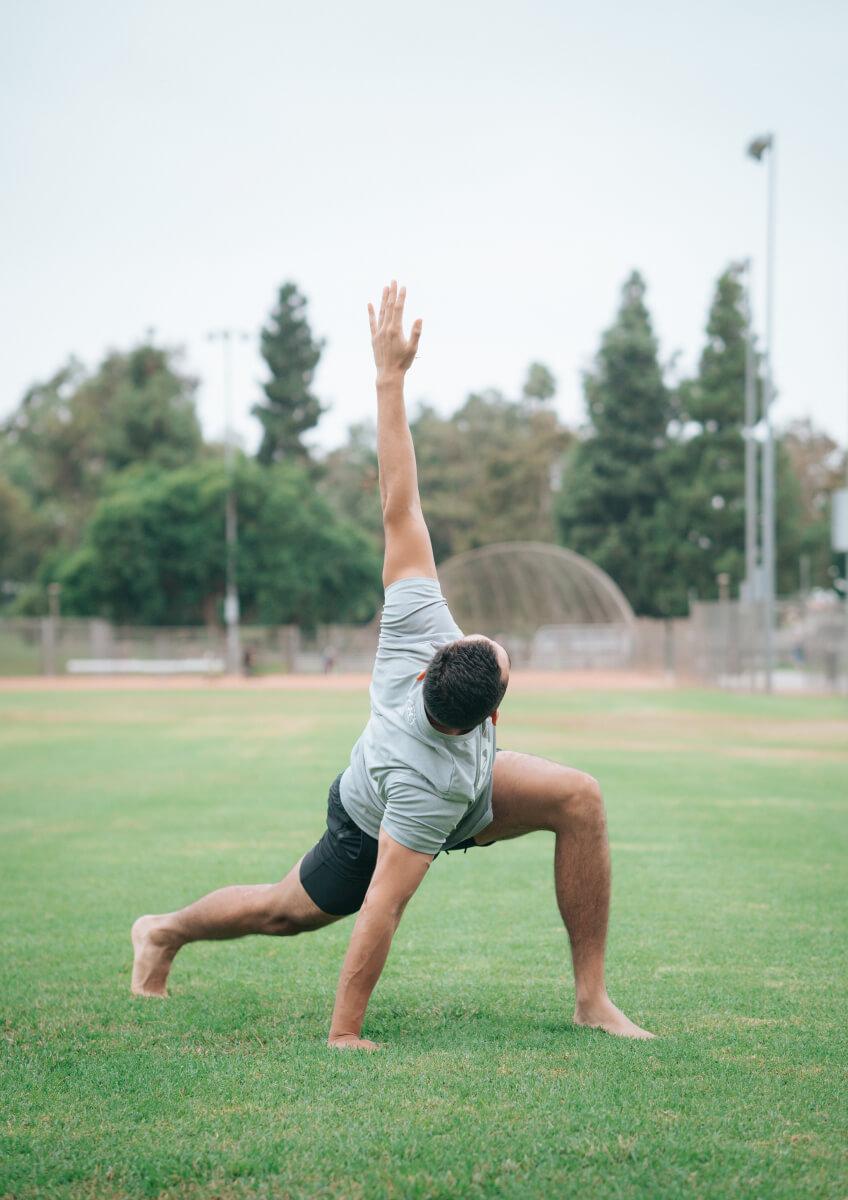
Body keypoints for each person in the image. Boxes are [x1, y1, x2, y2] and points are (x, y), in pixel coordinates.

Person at [131, 282, 654, 1047]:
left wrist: (389, 378)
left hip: (465, 788)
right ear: (483, 703)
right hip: (375, 815)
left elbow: (400, 504)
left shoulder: (420, 627)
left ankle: (591, 999)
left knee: (580, 798)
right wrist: (346, 1033)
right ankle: (164, 931)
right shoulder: (423, 783)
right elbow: (384, 904)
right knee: (284, 911)